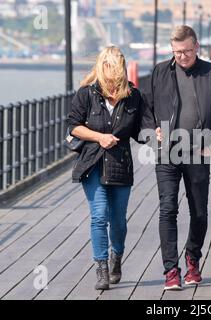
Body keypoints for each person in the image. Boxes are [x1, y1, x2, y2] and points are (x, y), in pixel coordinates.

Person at [141, 25, 211, 290]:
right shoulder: (160, 71)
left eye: (187, 51)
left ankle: (193, 256)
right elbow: (146, 109)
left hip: (197, 152)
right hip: (167, 152)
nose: (182, 57)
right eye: (177, 52)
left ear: (197, 46)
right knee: (168, 209)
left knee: (200, 212)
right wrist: (150, 132)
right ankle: (171, 270)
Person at [66, 46, 145, 290]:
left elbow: (140, 131)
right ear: (102, 67)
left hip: (121, 164)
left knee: (118, 220)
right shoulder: (87, 94)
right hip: (93, 162)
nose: (113, 73)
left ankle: (116, 257)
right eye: (109, 67)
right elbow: (73, 126)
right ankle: (101, 268)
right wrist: (99, 136)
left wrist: (156, 134)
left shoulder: (133, 96)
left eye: (117, 67)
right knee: (99, 217)